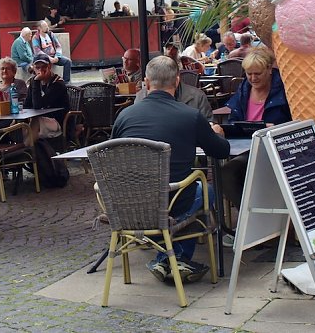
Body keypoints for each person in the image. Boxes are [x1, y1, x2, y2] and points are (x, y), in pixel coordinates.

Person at [112, 55, 229, 283]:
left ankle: (166, 259)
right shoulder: (190, 116)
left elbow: (114, 153)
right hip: (172, 201)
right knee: (207, 191)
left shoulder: (123, 116)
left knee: (188, 192)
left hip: (129, 203)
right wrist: (216, 132)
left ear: (146, 83)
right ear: (176, 81)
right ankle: (174, 259)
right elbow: (221, 151)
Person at [220, 47, 292, 213]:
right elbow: (234, 119)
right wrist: (224, 128)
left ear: (269, 69)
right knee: (227, 173)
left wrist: (277, 128)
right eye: (248, 73)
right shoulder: (245, 88)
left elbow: (296, 120)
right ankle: (249, 217)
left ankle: (253, 220)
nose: (252, 78)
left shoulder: (283, 88)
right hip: (246, 147)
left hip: (274, 149)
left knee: (233, 172)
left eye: (257, 74)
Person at [24, 53, 69, 142]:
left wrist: (37, 82)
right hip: (42, 118)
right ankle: (21, 148)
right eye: (38, 67)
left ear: (49, 67)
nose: (41, 70)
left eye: (44, 66)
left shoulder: (57, 84)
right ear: (33, 68)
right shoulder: (33, 81)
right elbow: (27, 104)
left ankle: (28, 150)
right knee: (18, 124)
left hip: (58, 121)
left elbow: (38, 106)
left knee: (35, 121)